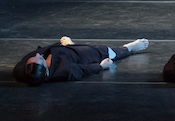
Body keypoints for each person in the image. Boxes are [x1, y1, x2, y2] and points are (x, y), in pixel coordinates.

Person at [13, 35, 149, 86]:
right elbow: (83, 70)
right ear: (46, 70)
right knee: (106, 52)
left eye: (35, 58)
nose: (37, 55)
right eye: (39, 59)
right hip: (78, 56)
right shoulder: (64, 71)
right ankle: (129, 48)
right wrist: (101, 66)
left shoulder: (21, 71)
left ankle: (68, 45)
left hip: (58, 50)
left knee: (65, 46)